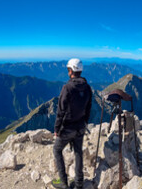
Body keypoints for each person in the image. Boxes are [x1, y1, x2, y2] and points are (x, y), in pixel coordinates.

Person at [52, 58, 93, 189]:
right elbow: (88, 108)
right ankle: (79, 183)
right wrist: (84, 123)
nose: (67, 72)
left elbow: (61, 111)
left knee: (57, 150)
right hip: (80, 127)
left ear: (71, 70)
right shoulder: (87, 87)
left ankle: (63, 183)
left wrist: (57, 129)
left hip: (68, 128)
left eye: (68, 69)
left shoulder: (67, 88)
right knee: (78, 152)